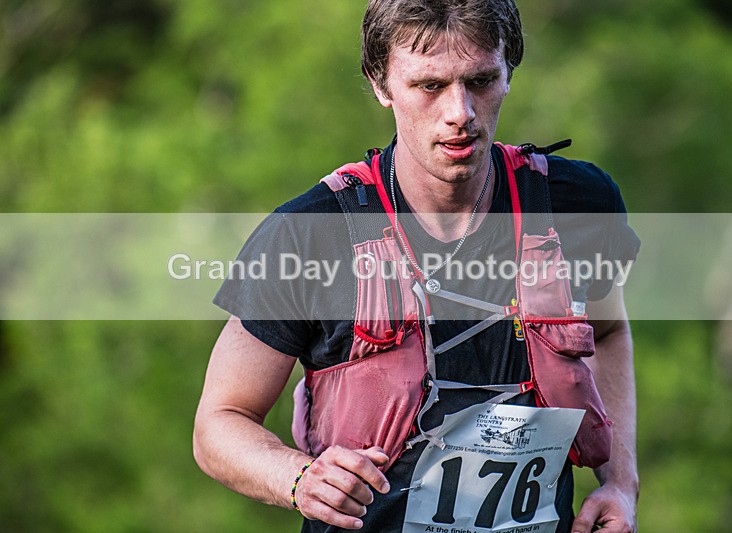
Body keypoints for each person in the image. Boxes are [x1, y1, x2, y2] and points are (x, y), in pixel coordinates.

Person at [193, 1, 640, 532]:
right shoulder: (310, 233)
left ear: (509, 71)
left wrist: (620, 482)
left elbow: (608, 332)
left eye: (480, 81)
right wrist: (298, 477)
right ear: (380, 83)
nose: (460, 112)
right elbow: (219, 423)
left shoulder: (579, 204)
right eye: (430, 86)